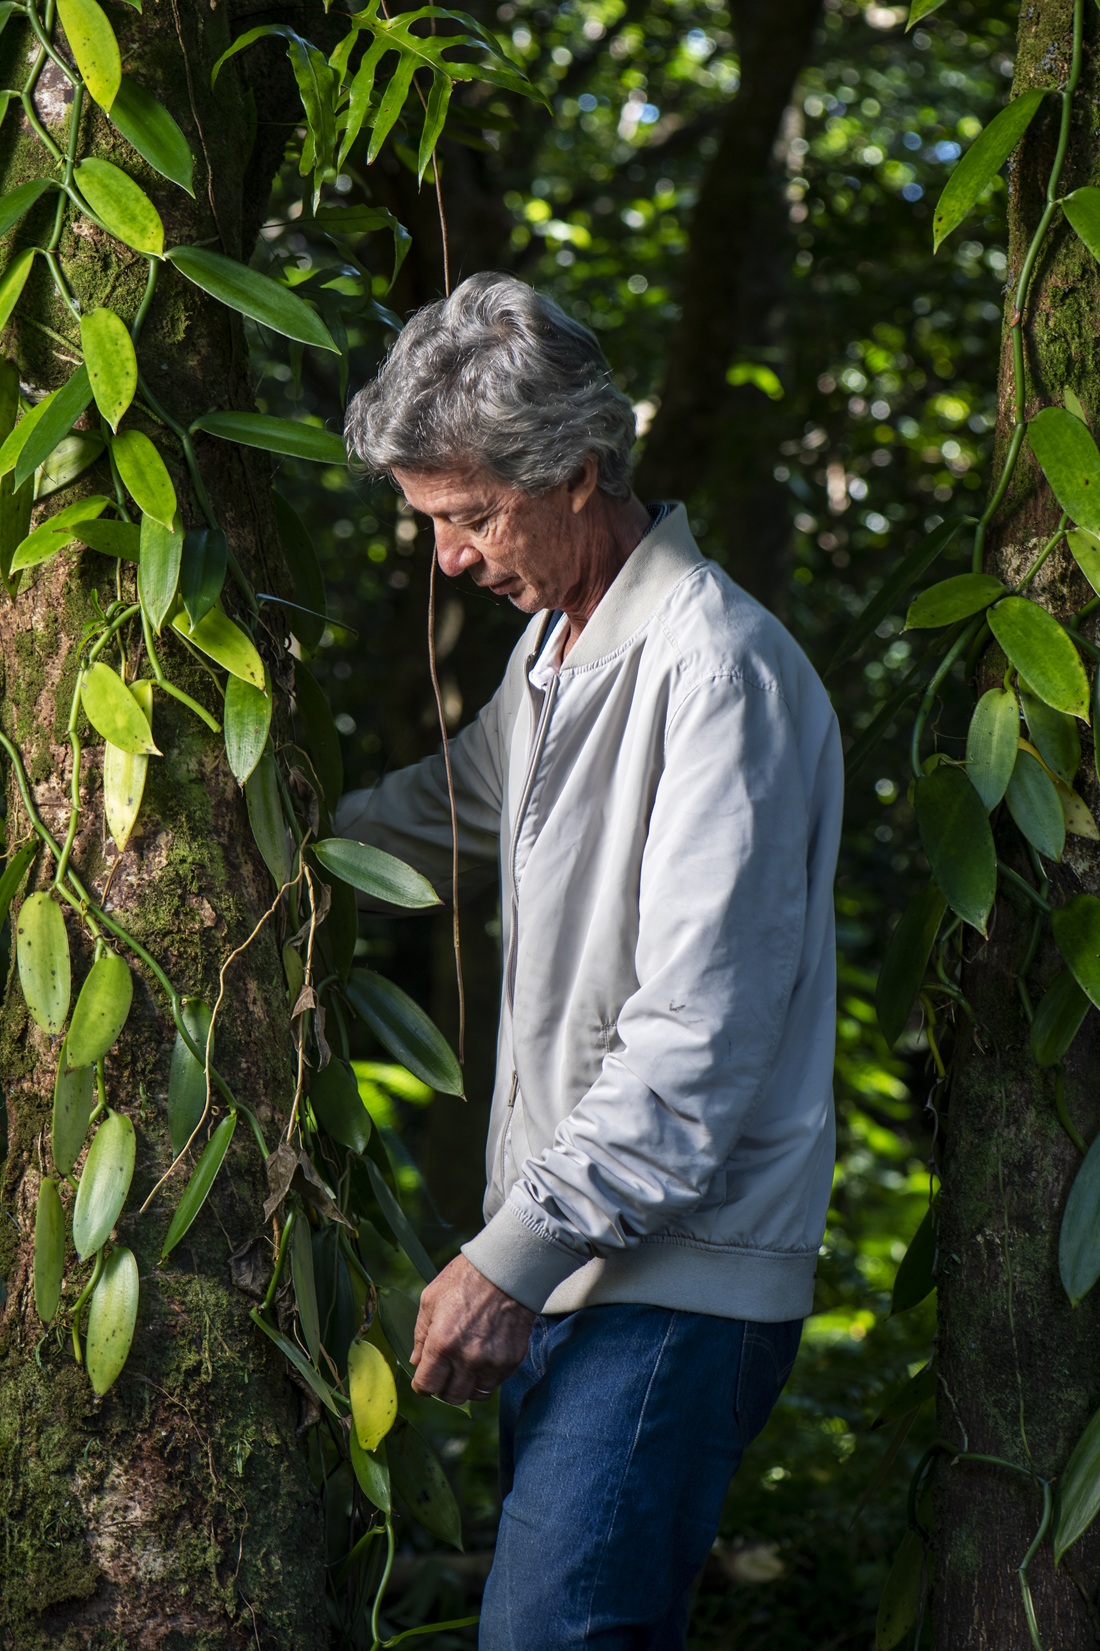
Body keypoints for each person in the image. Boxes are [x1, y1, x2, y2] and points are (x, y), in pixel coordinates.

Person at [337, 271, 843, 1651]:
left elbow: (698, 1035)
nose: (448, 558)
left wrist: (508, 1257)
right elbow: (449, 813)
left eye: (470, 518)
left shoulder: (712, 668)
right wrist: (279, 854)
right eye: (431, 522)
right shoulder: (555, 654)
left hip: (672, 1277)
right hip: (581, 1261)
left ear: (575, 472)